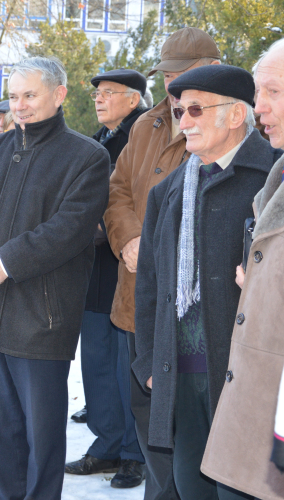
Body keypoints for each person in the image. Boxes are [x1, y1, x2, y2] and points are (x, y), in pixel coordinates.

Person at [0, 56, 110, 500]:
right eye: (14, 96)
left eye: (30, 95)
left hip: (41, 319)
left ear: (58, 95)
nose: (19, 106)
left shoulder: (87, 156)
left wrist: (9, 260)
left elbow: (71, 227)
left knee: (42, 441)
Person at [135, 64, 274, 500]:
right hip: (181, 374)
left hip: (247, 379)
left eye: (196, 109)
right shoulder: (169, 190)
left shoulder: (272, 179)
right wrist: (149, 363)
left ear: (235, 116)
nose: (185, 120)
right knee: (189, 485)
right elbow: (151, 286)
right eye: (179, 111)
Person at [103, 27, 221, 500]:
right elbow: (117, 191)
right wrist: (129, 237)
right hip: (137, 301)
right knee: (147, 416)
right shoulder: (145, 124)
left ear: (213, 67)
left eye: (181, 73)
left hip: (191, 315)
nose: (171, 84)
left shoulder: (230, 124)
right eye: (166, 74)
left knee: (189, 434)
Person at [200, 39, 284, 500]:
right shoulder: (278, 175)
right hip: (254, 416)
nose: (259, 106)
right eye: (258, 93)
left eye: (273, 91)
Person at [65, 69, 150, 489]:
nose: (98, 99)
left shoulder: (143, 137)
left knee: (125, 367)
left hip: (129, 267)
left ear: (133, 100)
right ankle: (106, 445)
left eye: (108, 93)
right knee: (97, 364)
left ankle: (133, 454)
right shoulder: (100, 139)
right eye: (96, 92)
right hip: (94, 267)